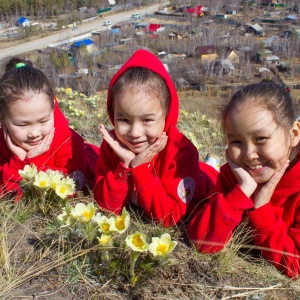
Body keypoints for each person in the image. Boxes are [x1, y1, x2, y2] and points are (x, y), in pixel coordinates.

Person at [187, 81, 300, 278]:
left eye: (260, 139)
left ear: (294, 134)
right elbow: (202, 241)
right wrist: (242, 190)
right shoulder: (234, 178)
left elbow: (296, 266)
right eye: (236, 142)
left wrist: (262, 208)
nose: (249, 154)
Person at [93, 49, 218, 227]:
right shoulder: (114, 145)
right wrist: (126, 165)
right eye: (123, 119)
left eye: (147, 120)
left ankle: (210, 165)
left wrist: (141, 168)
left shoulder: (181, 153)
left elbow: (169, 218)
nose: (135, 133)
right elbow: (107, 207)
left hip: (205, 181)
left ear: (167, 115)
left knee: (207, 174)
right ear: (112, 114)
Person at [0, 57, 99, 199]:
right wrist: (19, 161)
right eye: (22, 125)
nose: (34, 133)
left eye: (43, 121)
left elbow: (69, 188)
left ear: (53, 106)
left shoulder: (68, 141)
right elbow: (8, 196)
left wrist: (33, 161)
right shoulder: (2, 143)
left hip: (91, 158)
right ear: (2, 120)